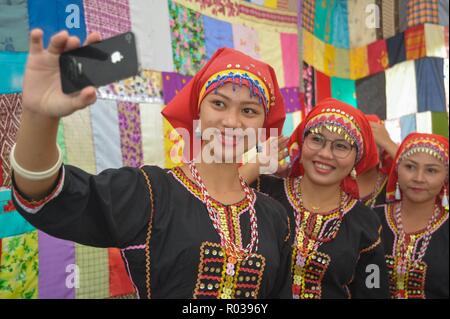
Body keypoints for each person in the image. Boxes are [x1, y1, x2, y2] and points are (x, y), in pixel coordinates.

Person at [10, 29, 292, 299]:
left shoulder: (274, 217)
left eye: (249, 111)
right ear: (197, 112)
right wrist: (39, 118)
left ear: (262, 126)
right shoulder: (150, 193)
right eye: (219, 104)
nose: (231, 121)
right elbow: (48, 196)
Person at [242, 98, 390, 298]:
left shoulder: (364, 221)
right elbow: (209, 198)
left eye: (341, 146)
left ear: (357, 159)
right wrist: (258, 164)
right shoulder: (263, 191)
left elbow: (373, 291)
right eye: (317, 140)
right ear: (302, 144)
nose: (325, 154)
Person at [374, 133, 449, 299]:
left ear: (446, 177)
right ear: (397, 169)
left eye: (431, 170)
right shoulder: (371, 220)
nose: (418, 178)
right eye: (410, 167)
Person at [357, 114, 396, 208]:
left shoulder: (396, 181)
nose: (364, 152)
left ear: (382, 149)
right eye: (358, 145)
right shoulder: (337, 180)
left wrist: (388, 143)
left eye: (371, 146)